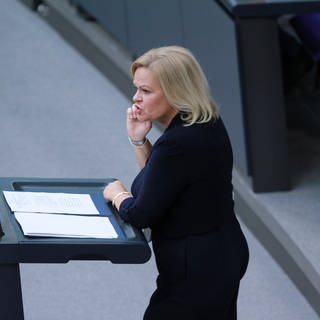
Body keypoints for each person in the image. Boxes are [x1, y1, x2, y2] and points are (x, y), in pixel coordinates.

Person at [103, 46, 249, 319]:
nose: (136, 99)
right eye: (137, 89)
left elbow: (141, 212)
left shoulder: (178, 143)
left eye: (146, 91)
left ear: (175, 91)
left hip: (197, 270)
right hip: (222, 254)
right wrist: (138, 140)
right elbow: (162, 184)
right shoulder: (205, 123)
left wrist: (117, 193)